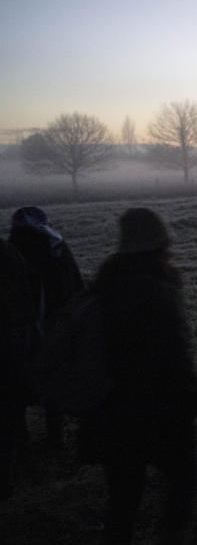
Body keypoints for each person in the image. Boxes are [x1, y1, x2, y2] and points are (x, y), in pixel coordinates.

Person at [82, 208, 197, 544]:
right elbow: (173, 348)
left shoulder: (107, 277)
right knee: (183, 478)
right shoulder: (158, 282)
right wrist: (191, 392)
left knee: (123, 495)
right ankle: (171, 535)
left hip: (112, 405)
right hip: (160, 403)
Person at [8, 206, 84, 447]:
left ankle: (21, 441)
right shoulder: (58, 245)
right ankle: (55, 437)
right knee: (52, 379)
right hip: (56, 321)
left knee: (16, 384)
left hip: (20, 326)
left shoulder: (10, 250)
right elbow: (75, 282)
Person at [0, 240, 40, 500]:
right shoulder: (10, 250)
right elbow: (32, 287)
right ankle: (24, 460)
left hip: (9, 334)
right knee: (13, 406)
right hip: (16, 333)